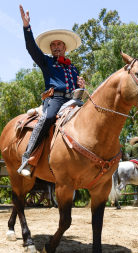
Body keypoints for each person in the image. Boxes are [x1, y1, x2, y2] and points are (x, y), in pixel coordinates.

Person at [17, 4, 85, 178]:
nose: (56, 46)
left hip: (73, 100)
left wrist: (81, 87)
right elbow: (31, 47)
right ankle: (28, 158)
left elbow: (76, 88)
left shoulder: (73, 68)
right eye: (53, 44)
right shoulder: (46, 62)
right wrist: (26, 27)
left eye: (59, 44)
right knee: (47, 118)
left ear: (64, 47)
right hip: (54, 100)